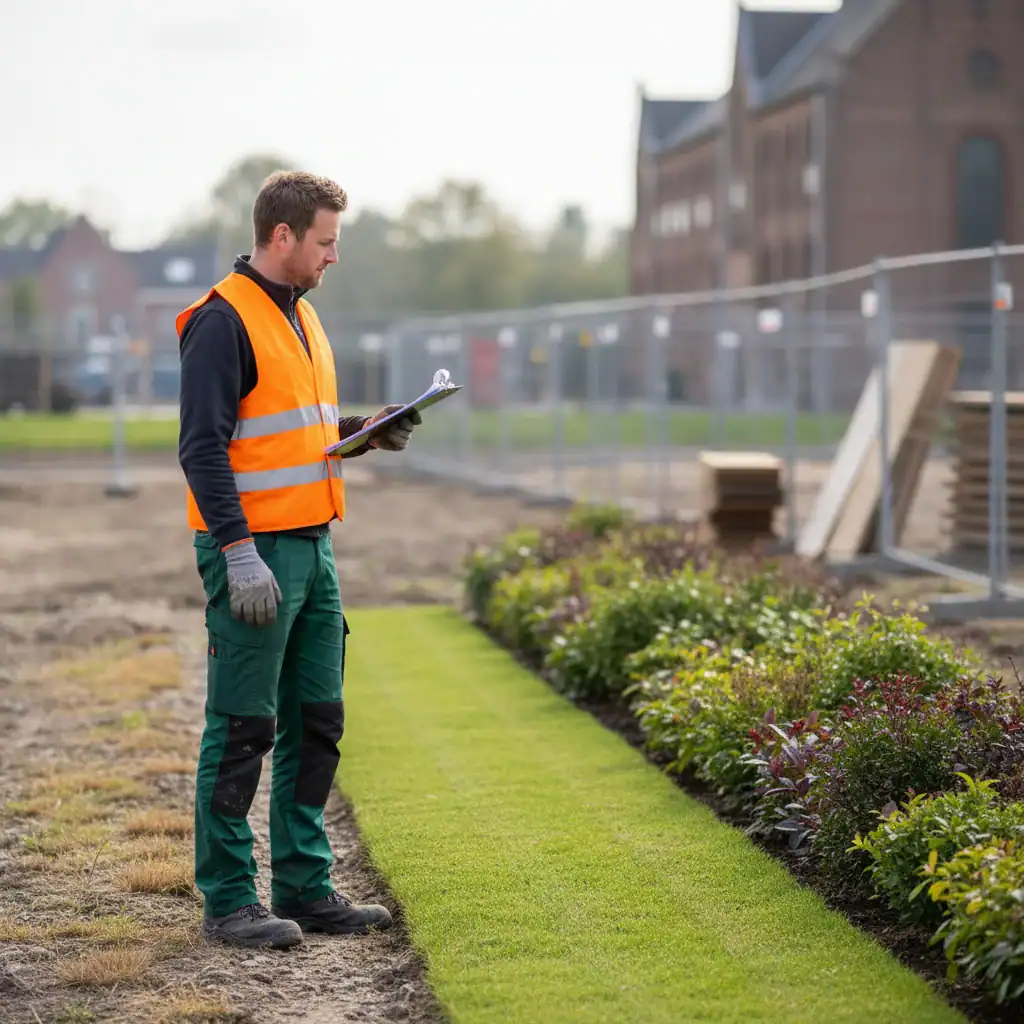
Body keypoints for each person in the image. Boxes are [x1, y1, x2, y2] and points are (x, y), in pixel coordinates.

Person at [176, 170, 420, 950]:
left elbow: (293, 435)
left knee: (317, 720)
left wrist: (364, 428)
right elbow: (202, 449)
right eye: (326, 242)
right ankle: (227, 899)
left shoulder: (303, 318)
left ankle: (306, 887)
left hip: (314, 545)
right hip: (255, 553)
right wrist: (240, 554)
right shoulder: (222, 321)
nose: (333, 257)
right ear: (282, 236)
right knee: (243, 724)